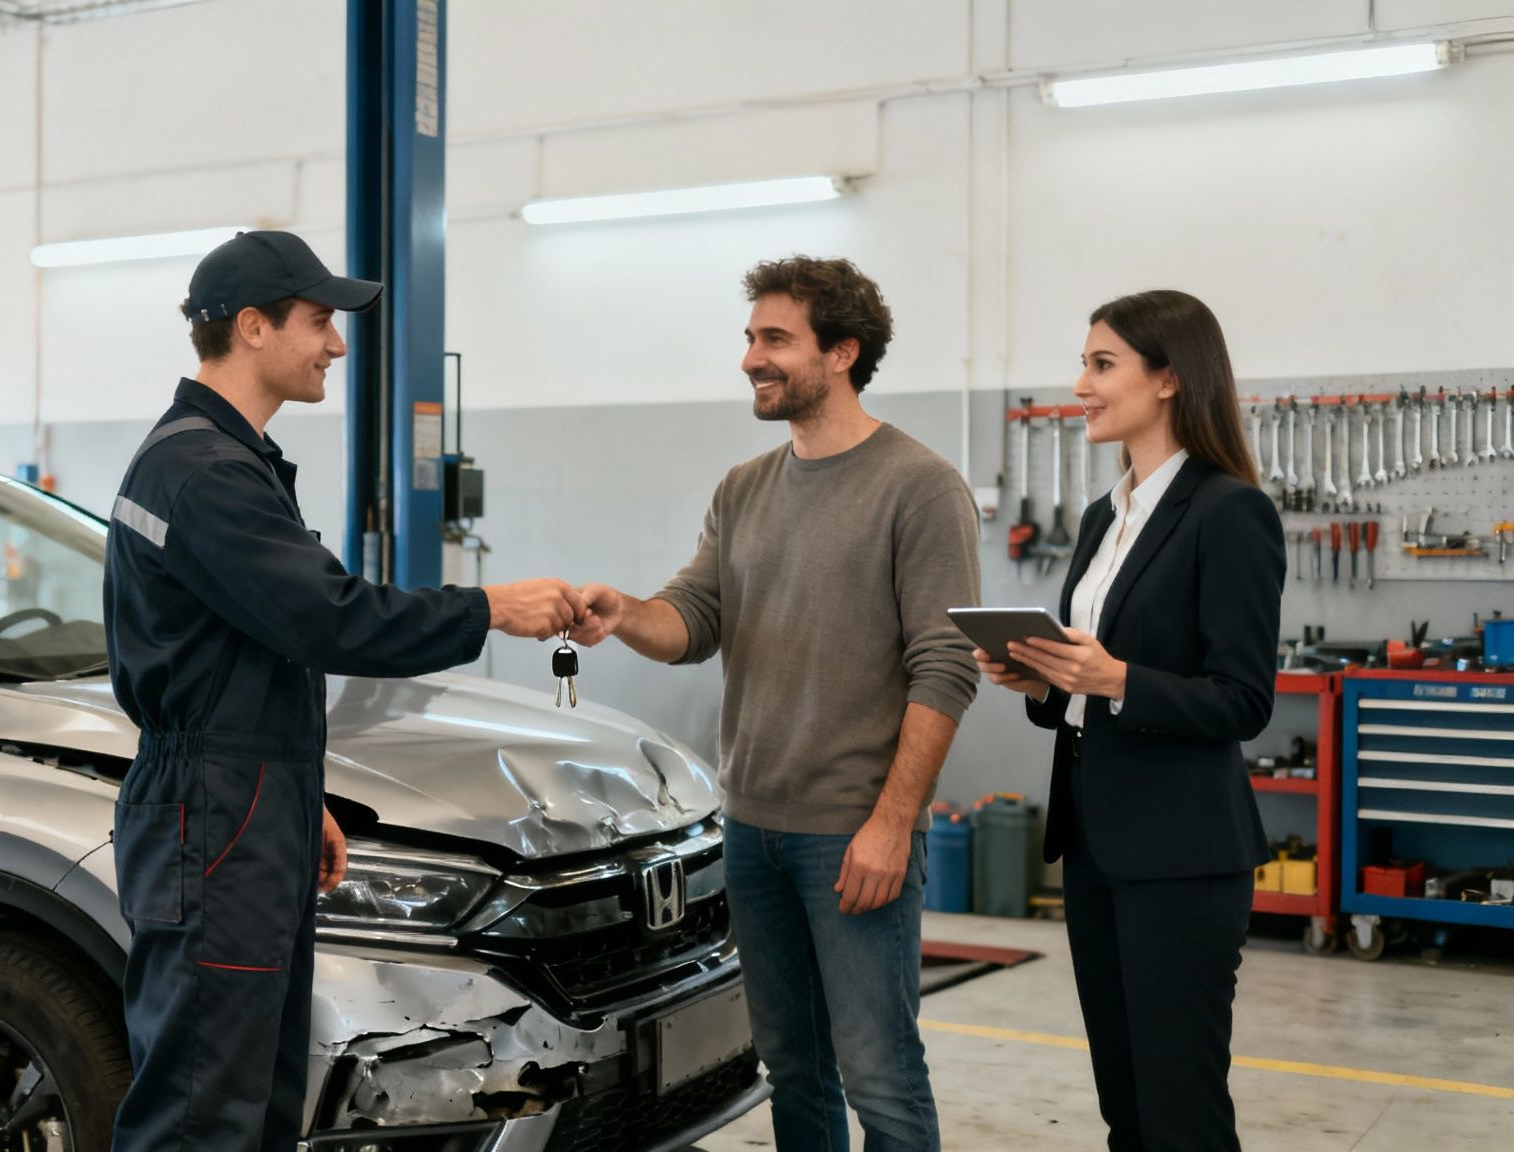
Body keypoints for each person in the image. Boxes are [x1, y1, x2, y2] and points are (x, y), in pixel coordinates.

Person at [102, 229, 585, 1151]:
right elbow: (329, 619)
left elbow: (248, 651)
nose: (336, 343)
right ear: (252, 327)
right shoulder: (204, 472)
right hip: (216, 816)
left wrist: (295, 791)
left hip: (242, 803)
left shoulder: (218, 460)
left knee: (256, 1098)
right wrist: (491, 608)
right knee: (205, 1110)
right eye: (320, 320)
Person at [573, 256, 980, 1152]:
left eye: (774, 339)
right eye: (751, 338)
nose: (752, 357)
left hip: (852, 833)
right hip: (750, 827)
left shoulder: (920, 486)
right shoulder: (744, 487)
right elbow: (695, 619)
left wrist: (892, 823)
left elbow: (947, 666)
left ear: (842, 351)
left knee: (879, 1071)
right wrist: (623, 613)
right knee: (791, 1066)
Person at [974, 289, 1283, 1151]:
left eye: (1101, 364)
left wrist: (1115, 677)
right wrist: (1039, 679)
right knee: (1126, 1108)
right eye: (1084, 363)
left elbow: (1243, 701)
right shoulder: (1109, 517)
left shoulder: (1230, 513)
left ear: (1171, 379)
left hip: (1183, 855)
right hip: (1095, 846)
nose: (1080, 384)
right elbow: (1092, 689)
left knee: (1180, 1109)